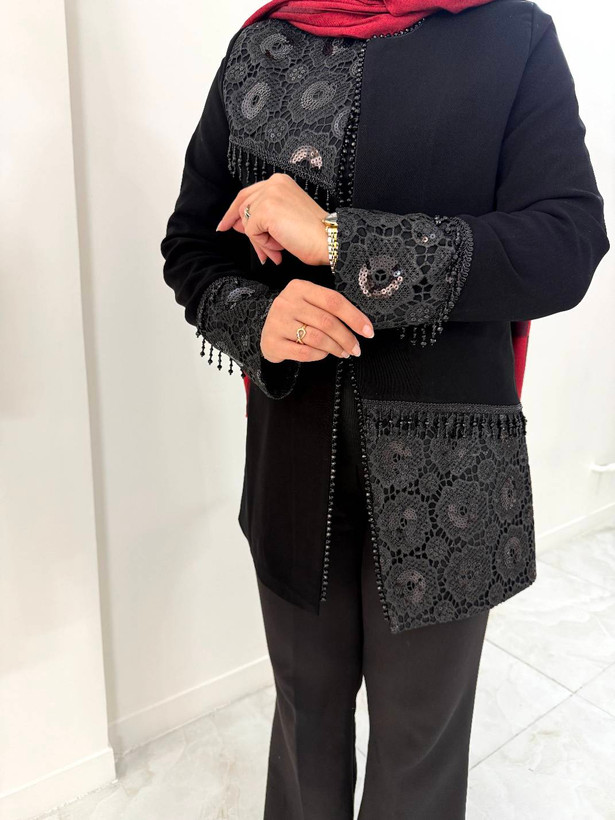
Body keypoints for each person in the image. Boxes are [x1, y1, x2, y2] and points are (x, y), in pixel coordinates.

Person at [160, 0, 610, 816]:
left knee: (418, 744)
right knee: (304, 717)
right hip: (292, 457)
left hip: (450, 473)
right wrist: (256, 316)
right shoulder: (263, 43)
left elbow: (565, 243)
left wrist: (338, 239)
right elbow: (192, 244)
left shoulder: (510, 35)